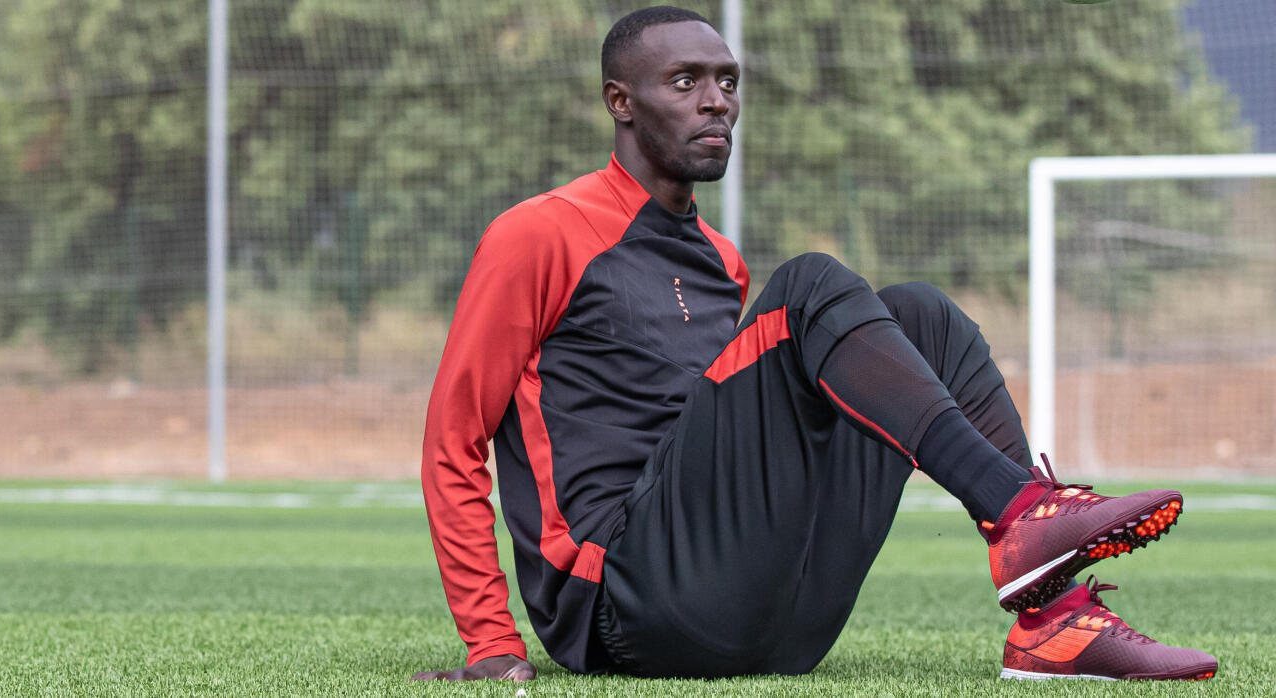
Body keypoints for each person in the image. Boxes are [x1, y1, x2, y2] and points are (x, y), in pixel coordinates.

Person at [412, 6, 1216, 682]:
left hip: (777, 622)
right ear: (620, 101)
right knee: (811, 283)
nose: (715, 101)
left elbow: (722, 440)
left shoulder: (721, 263)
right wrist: (490, 641)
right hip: (625, 605)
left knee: (922, 315)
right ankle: (1022, 511)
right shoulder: (539, 234)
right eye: (685, 82)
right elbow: (454, 438)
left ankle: (1054, 623)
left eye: (727, 82)